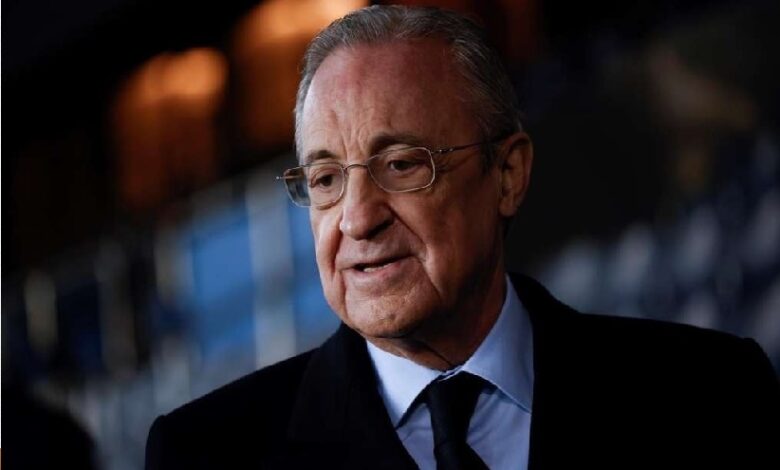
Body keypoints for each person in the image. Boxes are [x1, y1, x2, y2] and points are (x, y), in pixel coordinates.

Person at [145, 5, 780, 469]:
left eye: (402, 165)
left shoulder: (708, 393)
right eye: (327, 179)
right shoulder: (206, 453)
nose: (358, 219)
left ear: (507, 175)